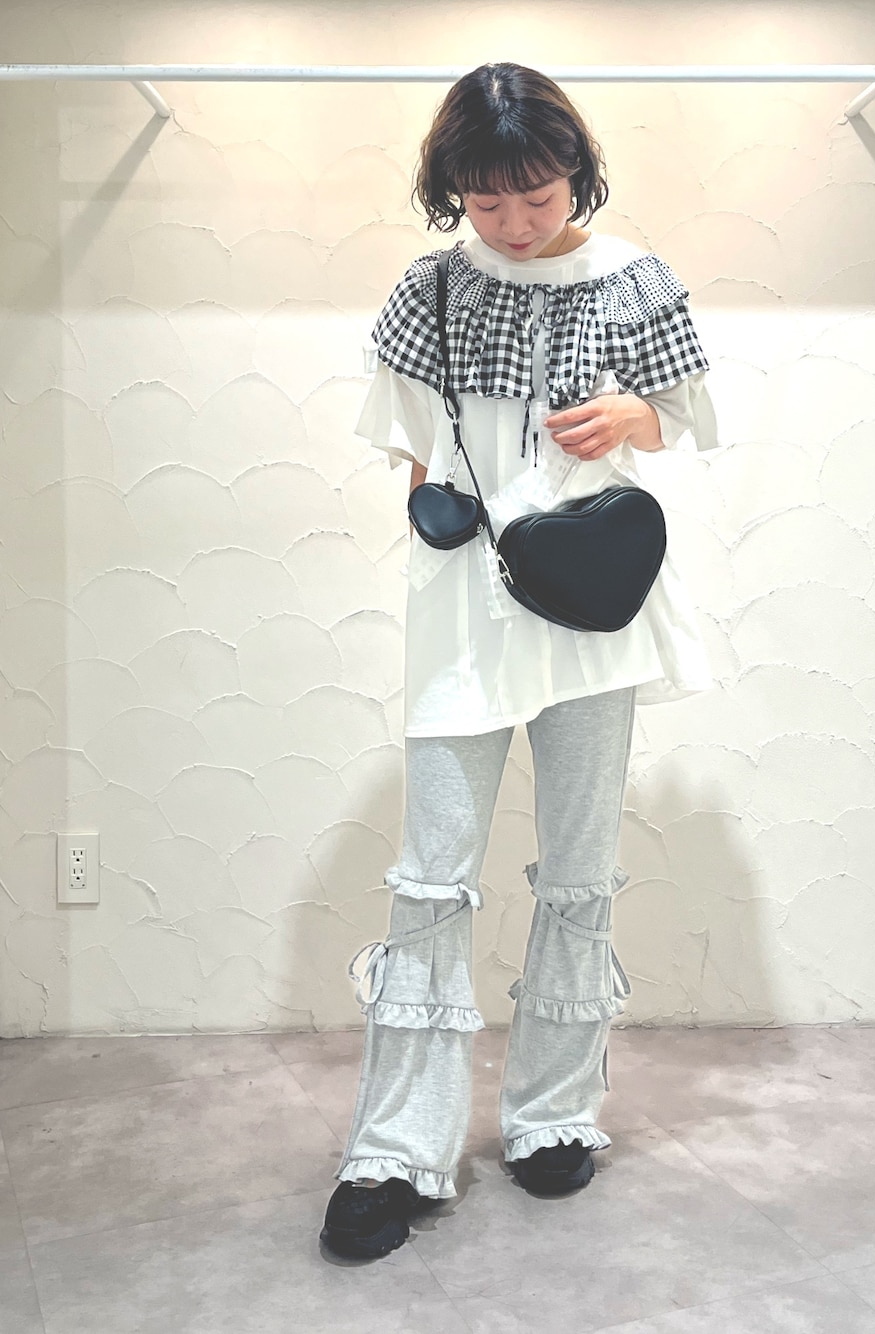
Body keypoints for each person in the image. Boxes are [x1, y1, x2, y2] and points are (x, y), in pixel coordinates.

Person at [320, 62, 718, 1261]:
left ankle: (553, 1115)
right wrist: (439, 505)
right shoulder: (430, 287)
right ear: (453, 189)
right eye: (486, 200)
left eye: (535, 195)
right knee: (430, 877)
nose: (511, 221)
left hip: (592, 607)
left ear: (575, 172)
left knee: (580, 869)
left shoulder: (633, 279)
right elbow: (409, 449)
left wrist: (635, 418)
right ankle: (395, 1146)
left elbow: (687, 416)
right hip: (464, 608)